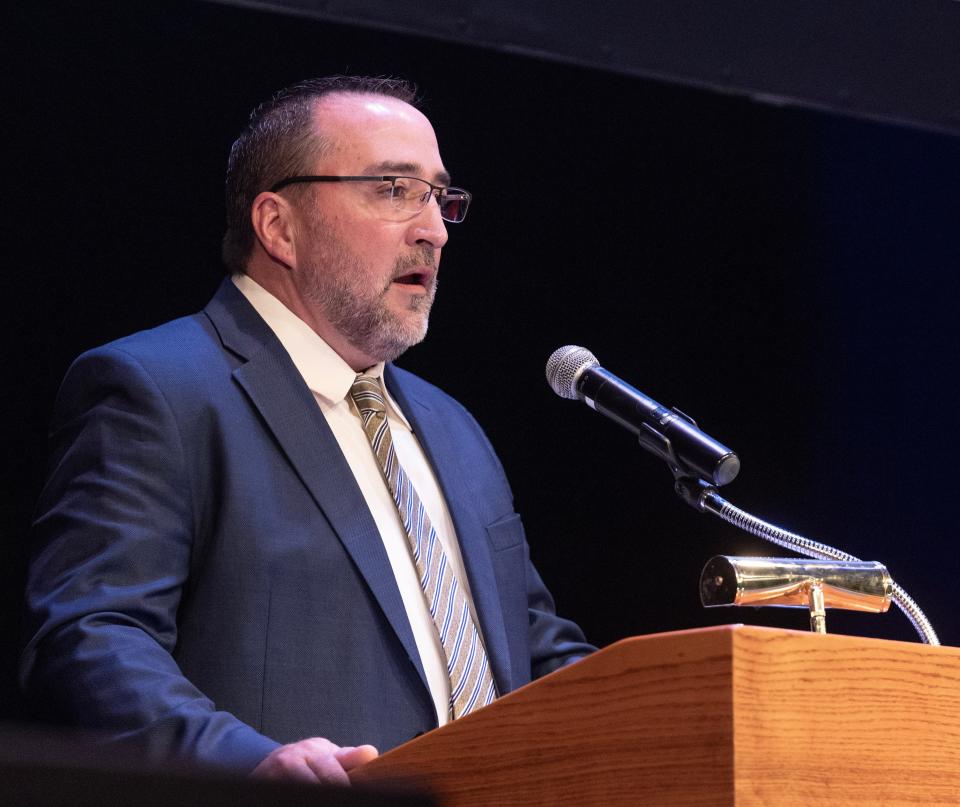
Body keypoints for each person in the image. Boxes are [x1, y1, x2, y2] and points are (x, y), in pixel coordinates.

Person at [21, 76, 593, 786]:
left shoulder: (454, 429)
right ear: (278, 226)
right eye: (393, 189)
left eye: (438, 197)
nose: (434, 230)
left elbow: (535, 652)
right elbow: (90, 637)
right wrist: (249, 763)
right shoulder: (158, 389)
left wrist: (672, 703)